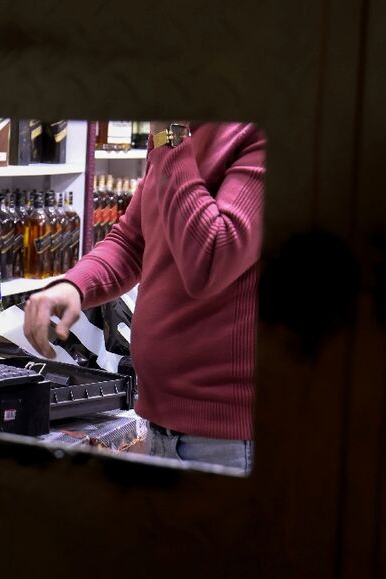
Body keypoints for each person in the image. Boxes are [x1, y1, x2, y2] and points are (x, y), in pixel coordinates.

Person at [23, 121, 266, 474]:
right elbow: (131, 241)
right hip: (160, 420)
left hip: (225, 439)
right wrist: (72, 286)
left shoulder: (253, 134)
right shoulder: (179, 134)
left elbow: (211, 260)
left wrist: (170, 137)